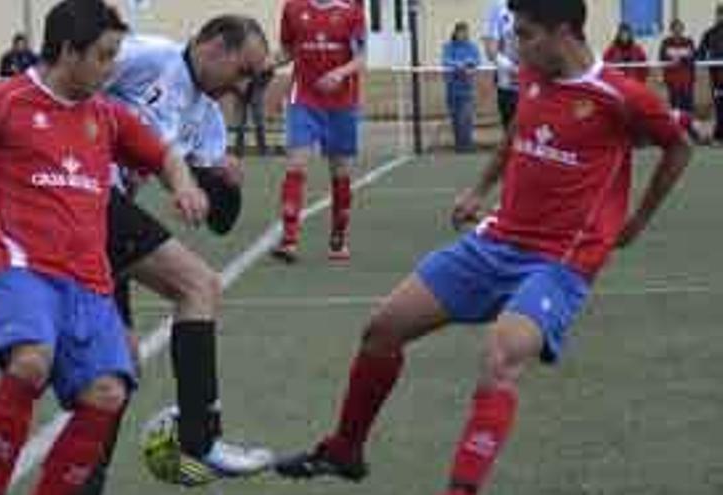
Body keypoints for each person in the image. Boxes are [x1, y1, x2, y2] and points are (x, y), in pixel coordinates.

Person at [274, 1, 692, 494]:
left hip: (560, 262)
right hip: (495, 243)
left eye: (527, 33)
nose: (517, 44)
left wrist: (638, 218)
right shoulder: (534, 75)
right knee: (381, 330)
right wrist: (479, 189)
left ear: (564, 33)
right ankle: (345, 450)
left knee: (500, 357)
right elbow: (517, 135)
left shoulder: (621, 96)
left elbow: (678, 146)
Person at [0, 1, 208, 494]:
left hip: (89, 282)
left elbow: (164, 152)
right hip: (20, 268)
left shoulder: (105, 115)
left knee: (108, 392)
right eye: (104, 56)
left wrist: (184, 184)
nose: (111, 69)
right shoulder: (1, 101)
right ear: (68, 51)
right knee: (31, 360)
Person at [93, 17, 274, 488]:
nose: (242, 86)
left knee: (117, 371)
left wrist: (224, 184)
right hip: (82, 195)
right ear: (213, 46)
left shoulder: (208, 116)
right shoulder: (148, 57)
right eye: (242, 70)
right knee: (199, 285)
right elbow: (68, 78)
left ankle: (83, 483)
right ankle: (201, 438)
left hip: (108, 216)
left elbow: (220, 222)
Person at [271, 0, 367, 264]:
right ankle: (289, 240)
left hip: (342, 103)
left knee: (340, 172)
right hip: (303, 99)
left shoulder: (352, 11)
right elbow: (288, 50)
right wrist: (268, 63)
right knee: (296, 165)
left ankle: (338, 236)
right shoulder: (292, 8)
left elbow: (360, 58)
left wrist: (339, 73)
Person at [442, 22, 482, 153]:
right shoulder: (448, 47)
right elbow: (446, 61)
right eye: (461, 32)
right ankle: (459, 145)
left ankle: (468, 144)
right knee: (455, 118)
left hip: (467, 88)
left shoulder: (472, 47)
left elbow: (476, 60)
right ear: (455, 33)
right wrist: (458, 65)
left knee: (466, 117)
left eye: (465, 32)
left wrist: (468, 64)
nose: (463, 35)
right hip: (452, 87)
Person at [483, 0, 519, 128]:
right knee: (512, 134)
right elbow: (490, 50)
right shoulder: (497, 6)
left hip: (538, 84)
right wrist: (512, 68)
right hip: (509, 86)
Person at [659, 19, 696, 113]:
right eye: (675, 28)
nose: (677, 31)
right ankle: (676, 124)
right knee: (674, 104)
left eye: (679, 28)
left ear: (683, 29)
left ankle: (688, 123)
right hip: (672, 78)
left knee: (687, 104)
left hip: (687, 78)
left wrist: (680, 57)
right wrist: (680, 55)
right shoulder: (665, 42)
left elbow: (693, 56)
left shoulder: (689, 41)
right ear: (671, 30)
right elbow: (662, 57)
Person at [698, 4, 723, 142]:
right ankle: (719, 134)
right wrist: (696, 59)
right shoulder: (710, 33)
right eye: (719, 14)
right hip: (717, 77)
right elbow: (701, 51)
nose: (721, 17)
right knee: (719, 104)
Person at [233, 68, 272, 156]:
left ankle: (262, 149)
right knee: (241, 122)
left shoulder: (264, 60)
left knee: (259, 121)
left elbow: (270, 74)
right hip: (242, 90)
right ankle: (238, 150)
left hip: (257, 90)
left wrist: (258, 79)